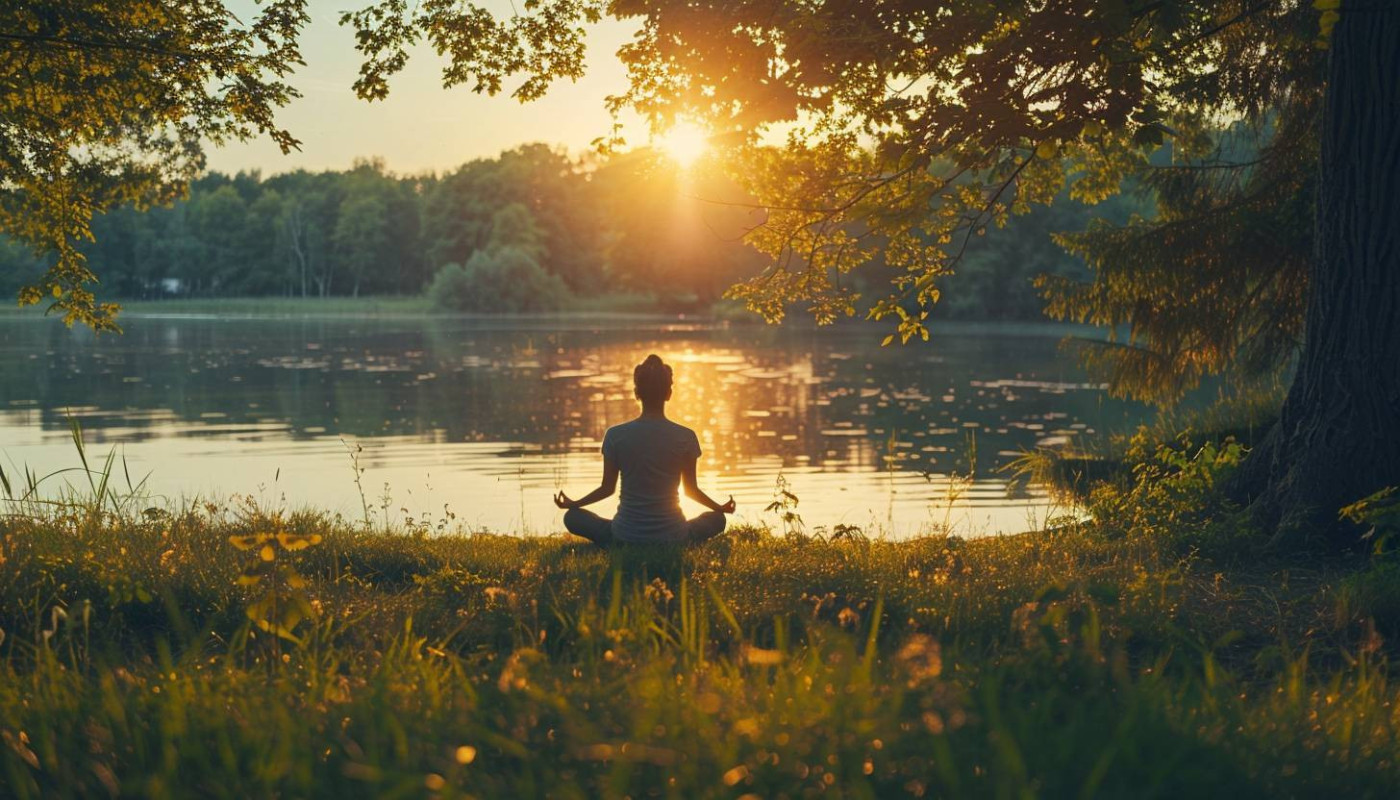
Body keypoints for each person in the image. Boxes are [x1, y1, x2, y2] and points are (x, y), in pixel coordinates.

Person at [555, 354, 735, 547]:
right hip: (674, 536)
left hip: (625, 535)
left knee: (572, 517)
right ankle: (682, 539)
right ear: (668, 394)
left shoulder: (615, 435)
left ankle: (615, 542)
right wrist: (719, 508)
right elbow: (690, 490)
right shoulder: (686, 436)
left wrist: (573, 504)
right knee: (717, 519)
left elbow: (607, 489)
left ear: (636, 393)